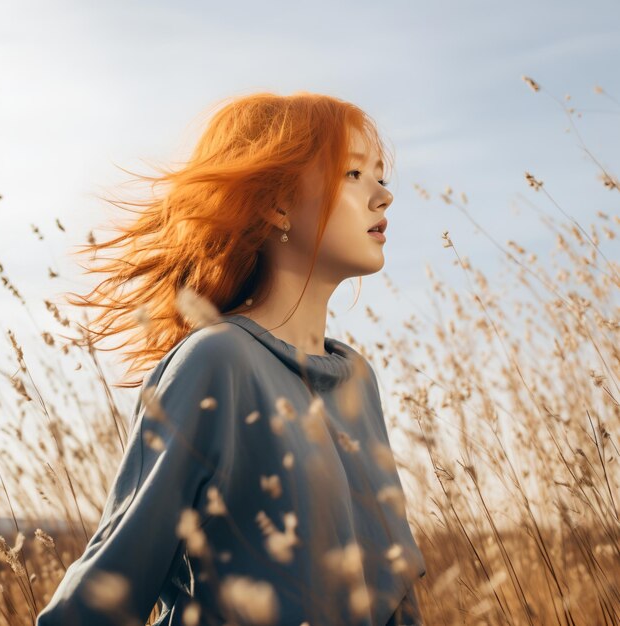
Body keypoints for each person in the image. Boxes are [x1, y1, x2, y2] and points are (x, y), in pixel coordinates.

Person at [36, 92, 426, 626]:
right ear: (278, 204)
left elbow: (394, 597)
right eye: (352, 174)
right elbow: (105, 593)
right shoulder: (217, 359)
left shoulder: (358, 378)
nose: (383, 196)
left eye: (380, 176)